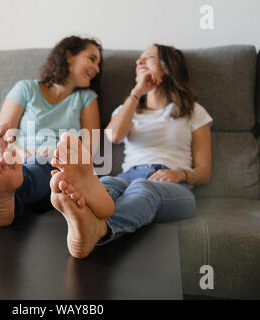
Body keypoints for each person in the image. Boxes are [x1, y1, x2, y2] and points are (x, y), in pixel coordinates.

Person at [50, 44, 213, 259]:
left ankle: (100, 229)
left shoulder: (193, 111)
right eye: (139, 59)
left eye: (149, 58)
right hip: (128, 176)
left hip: (172, 183)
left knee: (143, 188)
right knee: (107, 184)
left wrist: (180, 174)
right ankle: (81, 212)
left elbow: (204, 171)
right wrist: (137, 93)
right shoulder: (129, 108)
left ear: (167, 67)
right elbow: (114, 136)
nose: (139, 62)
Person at [0, 36, 115, 227]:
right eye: (92, 59)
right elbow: (3, 135)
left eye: (99, 64)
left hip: (54, 164)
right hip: (16, 156)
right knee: (0, 168)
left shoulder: (86, 98)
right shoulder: (25, 88)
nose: (97, 69)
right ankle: (1, 192)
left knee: (33, 172)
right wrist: (22, 154)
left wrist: (61, 156)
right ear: (68, 56)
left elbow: (90, 147)